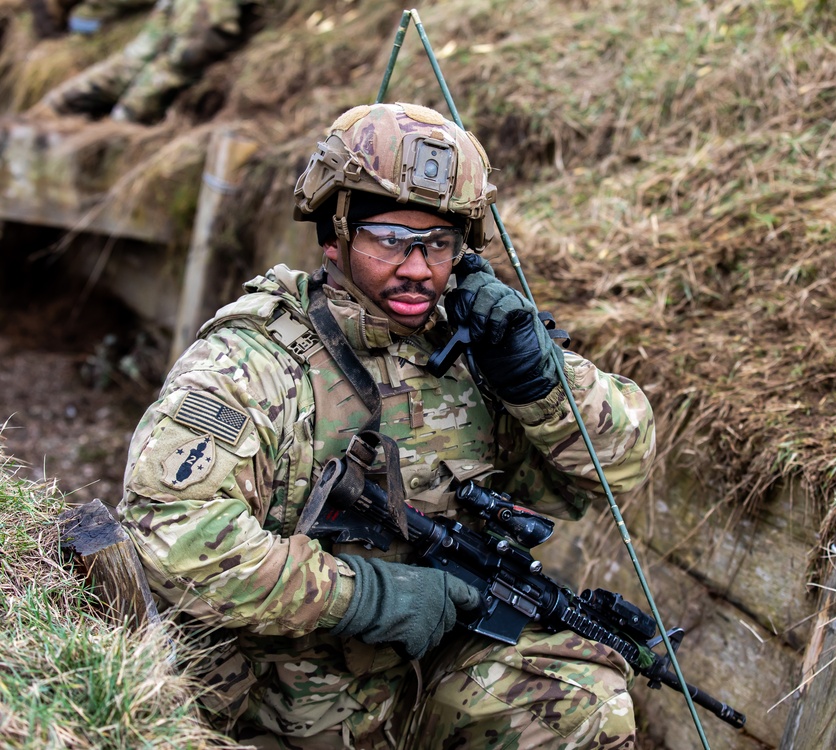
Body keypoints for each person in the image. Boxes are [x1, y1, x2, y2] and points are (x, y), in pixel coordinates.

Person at [117, 101, 657, 749]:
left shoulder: (481, 347)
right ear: (334, 233)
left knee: (580, 705)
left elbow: (623, 465)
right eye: (391, 240)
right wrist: (369, 594)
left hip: (423, 688)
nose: (418, 268)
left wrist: (537, 379)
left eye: (439, 244)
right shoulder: (251, 362)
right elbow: (170, 536)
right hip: (269, 699)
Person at [36, 0, 253, 123]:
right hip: (152, 52)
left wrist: (121, 120)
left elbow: (195, 50)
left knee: (119, 122)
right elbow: (139, 55)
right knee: (55, 105)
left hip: (177, 61)